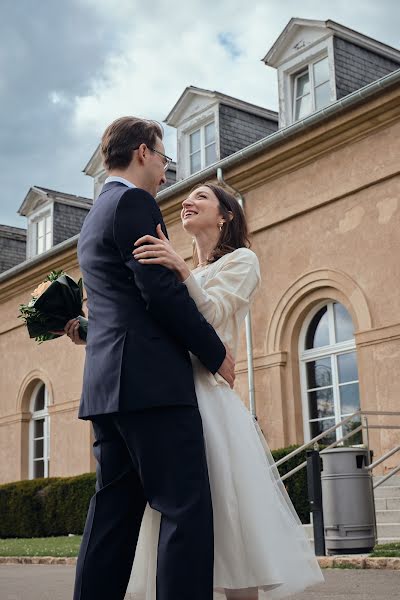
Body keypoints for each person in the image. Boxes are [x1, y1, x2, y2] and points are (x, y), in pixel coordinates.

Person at [66, 181, 324, 599]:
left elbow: (215, 315)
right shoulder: (176, 267)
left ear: (226, 215)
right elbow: (161, 321)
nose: (187, 200)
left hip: (210, 403)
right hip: (167, 395)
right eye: (188, 198)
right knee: (181, 524)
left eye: (202, 197)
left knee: (233, 532)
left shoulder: (243, 261)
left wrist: (182, 272)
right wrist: (89, 330)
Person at [70, 116, 236, 600]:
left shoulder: (94, 216)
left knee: (113, 518)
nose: (165, 173)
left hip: (107, 389)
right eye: (164, 159)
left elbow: (113, 306)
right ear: (143, 152)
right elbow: (158, 291)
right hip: (151, 386)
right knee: (185, 509)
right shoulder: (135, 203)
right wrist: (214, 352)